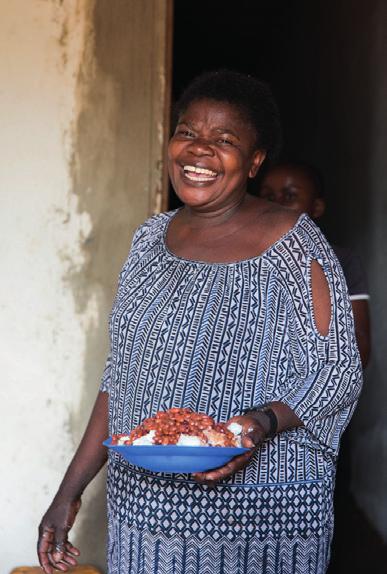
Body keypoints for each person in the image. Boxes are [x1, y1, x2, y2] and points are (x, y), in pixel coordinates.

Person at [38, 70, 363, 574]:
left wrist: (258, 424)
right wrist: (68, 492)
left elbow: (337, 370)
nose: (200, 150)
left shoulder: (295, 245)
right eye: (188, 132)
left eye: (225, 140)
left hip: (262, 519)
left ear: (255, 162)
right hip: (146, 516)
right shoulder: (148, 240)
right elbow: (119, 376)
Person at [258, 161, 371, 368]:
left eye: (290, 196)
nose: (276, 203)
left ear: (316, 207)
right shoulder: (244, 256)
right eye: (268, 196)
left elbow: (359, 340)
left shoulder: (341, 260)